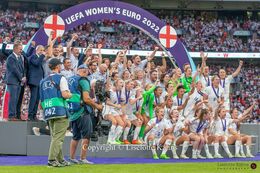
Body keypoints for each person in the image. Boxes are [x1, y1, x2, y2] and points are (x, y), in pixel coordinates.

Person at [67, 64, 103, 164]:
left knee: (75, 136)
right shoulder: (83, 80)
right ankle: (83, 158)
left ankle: (72, 158)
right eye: (87, 70)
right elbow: (86, 98)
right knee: (86, 136)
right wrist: (97, 106)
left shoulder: (70, 79)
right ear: (85, 71)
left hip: (73, 111)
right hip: (83, 111)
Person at [39, 58, 72, 167]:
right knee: (58, 138)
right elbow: (65, 95)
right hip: (60, 110)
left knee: (55, 137)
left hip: (48, 111)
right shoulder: (61, 78)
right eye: (60, 65)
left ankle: (60, 160)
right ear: (57, 66)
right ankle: (52, 160)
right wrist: (70, 94)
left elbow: (41, 101)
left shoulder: (43, 81)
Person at [5, 42, 26, 121]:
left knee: (17, 99)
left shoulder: (20, 57)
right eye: (20, 49)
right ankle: (11, 116)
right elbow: (14, 70)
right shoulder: (11, 58)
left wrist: (23, 77)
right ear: (15, 48)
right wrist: (21, 78)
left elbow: (22, 69)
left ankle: (16, 115)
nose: (21, 51)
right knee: (13, 99)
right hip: (12, 82)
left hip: (18, 82)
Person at [28, 45, 45, 121]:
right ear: (36, 50)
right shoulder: (33, 57)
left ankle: (34, 115)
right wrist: (42, 55)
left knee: (37, 99)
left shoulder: (39, 58)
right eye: (40, 50)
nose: (42, 51)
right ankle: (30, 115)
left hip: (39, 82)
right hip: (34, 82)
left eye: (43, 50)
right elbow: (36, 63)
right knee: (33, 98)